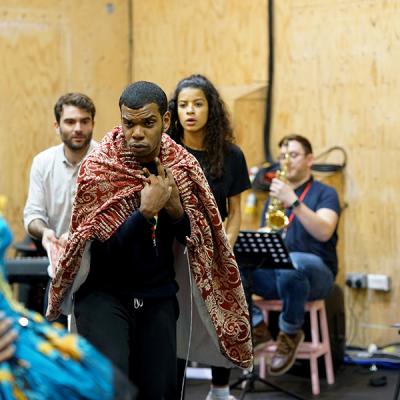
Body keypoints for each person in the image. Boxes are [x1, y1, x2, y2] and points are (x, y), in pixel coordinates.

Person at [45, 81, 253, 400]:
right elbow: (99, 247)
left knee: (160, 392)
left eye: (148, 123)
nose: (137, 133)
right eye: (129, 124)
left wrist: (175, 211)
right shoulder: (99, 167)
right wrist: (143, 212)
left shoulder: (183, 167)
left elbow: (193, 239)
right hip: (104, 295)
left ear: (165, 122)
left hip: (157, 295)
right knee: (113, 390)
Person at [168, 74, 251, 400]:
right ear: (174, 112)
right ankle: (173, 390)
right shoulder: (168, 151)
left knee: (221, 319)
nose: (190, 111)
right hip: (174, 250)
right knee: (175, 321)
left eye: (198, 104)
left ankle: (220, 390)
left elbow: (236, 212)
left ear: (210, 108)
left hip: (216, 250)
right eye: (184, 105)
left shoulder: (231, 155)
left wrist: (222, 250)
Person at [252, 134, 340, 376]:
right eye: (282, 156)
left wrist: (294, 202)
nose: (286, 161)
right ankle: (257, 326)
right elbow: (269, 236)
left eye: (293, 155)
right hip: (280, 276)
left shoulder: (325, 193)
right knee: (230, 266)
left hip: (316, 276)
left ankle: (290, 333)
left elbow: (324, 231)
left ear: (310, 159)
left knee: (295, 261)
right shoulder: (274, 198)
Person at [23, 92, 97, 325]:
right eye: (70, 121)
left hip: (100, 277)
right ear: (57, 126)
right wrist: (45, 233)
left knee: (92, 356)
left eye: (85, 121)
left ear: (93, 123)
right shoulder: (42, 163)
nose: (78, 128)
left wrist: (79, 235)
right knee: (54, 351)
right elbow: (33, 215)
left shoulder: (107, 162)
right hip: (58, 273)